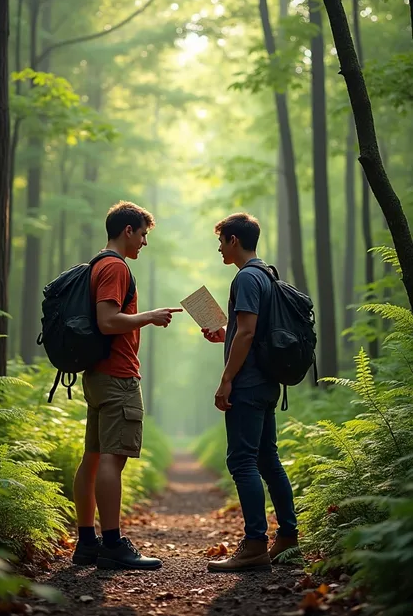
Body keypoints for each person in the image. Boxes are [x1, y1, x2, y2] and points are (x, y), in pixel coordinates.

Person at [72, 201, 182, 570]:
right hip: (117, 375)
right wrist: (148, 317)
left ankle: (87, 542)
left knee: (92, 458)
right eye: (143, 234)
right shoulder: (115, 267)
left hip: (97, 374)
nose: (144, 243)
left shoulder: (96, 265)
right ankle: (113, 544)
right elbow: (107, 321)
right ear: (128, 231)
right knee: (111, 460)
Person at [202, 212, 298, 573]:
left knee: (242, 461)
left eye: (221, 241)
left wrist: (226, 379)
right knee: (267, 460)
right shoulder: (267, 276)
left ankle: (256, 544)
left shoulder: (245, 278)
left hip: (248, 383)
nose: (219, 248)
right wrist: (222, 331)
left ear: (233, 241)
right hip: (268, 382)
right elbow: (248, 330)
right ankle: (288, 539)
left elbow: (245, 334)